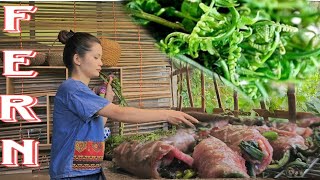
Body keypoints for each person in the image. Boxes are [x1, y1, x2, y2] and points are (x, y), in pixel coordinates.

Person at [49, 30, 199, 180]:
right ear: (77, 59)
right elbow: (120, 113)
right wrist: (166, 114)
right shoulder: (72, 89)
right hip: (72, 174)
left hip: (87, 170)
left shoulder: (83, 92)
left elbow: (98, 126)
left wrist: (107, 100)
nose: (100, 62)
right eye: (96, 57)